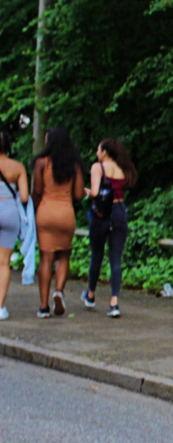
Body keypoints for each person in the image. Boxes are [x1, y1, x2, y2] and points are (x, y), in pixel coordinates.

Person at [81, 138, 137, 318]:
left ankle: (90, 294)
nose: (97, 153)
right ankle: (114, 303)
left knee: (97, 254)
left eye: (98, 150)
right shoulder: (122, 169)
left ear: (104, 152)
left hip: (102, 214)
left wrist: (89, 193)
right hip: (120, 211)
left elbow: (96, 193)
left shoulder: (98, 167)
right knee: (115, 259)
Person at [32, 128, 84, 318]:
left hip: (46, 211)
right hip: (65, 213)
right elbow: (78, 195)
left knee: (46, 259)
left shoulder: (41, 163)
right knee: (63, 256)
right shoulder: (75, 166)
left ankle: (44, 307)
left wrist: (37, 209)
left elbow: (37, 191)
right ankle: (59, 291)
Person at [0, 130, 29, 320]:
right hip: (10, 212)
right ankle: (0, 306)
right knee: (3, 263)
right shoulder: (18, 167)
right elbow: (25, 197)